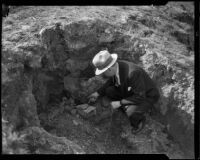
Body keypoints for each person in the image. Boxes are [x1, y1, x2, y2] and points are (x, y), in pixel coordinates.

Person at [88, 50, 160, 134]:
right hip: (130, 90)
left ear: (109, 68)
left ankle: (139, 120)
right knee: (109, 91)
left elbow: (140, 96)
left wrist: (120, 102)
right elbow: (111, 81)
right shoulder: (117, 66)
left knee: (131, 113)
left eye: (103, 72)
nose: (103, 74)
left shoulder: (133, 73)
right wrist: (98, 93)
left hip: (147, 95)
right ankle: (126, 106)